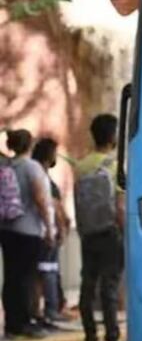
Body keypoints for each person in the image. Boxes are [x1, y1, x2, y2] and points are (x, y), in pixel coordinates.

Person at [74, 114, 126, 341]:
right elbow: (120, 206)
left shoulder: (81, 165)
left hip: (88, 233)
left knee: (88, 286)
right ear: (113, 136)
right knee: (110, 288)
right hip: (110, 232)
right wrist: (126, 233)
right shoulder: (115, 166)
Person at [0, 129, 56, 340]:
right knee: (27, 277)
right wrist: (49, 227)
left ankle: (12, 324)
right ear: (29, 145)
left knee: (11, 277)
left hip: (7, 228)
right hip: (29, 229)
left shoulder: (6, 166)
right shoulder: (31, 167)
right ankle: (25, 322)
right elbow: (40, 198)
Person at [31, 138, 70, 329]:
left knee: (42, 272)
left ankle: (40, 311)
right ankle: (50, 310)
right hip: (46, 230)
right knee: (48, 271)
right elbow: (52, 205)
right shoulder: (41, 175)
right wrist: (60, 227)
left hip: (39, 230)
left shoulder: (37, 173)